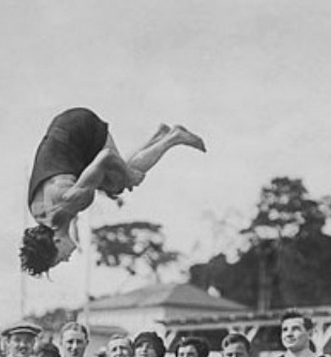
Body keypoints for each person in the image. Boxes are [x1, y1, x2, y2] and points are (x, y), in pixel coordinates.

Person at [22, 107, 206, 276]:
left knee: (118, 183)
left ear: (57, 242)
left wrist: (129, 176)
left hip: (82, 128)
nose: (65, 260)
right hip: (64, 128)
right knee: (108, 181)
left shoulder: (72, 200)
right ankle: (159, 136)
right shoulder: (39, 212)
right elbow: (58, 193)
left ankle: (174, 138)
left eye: (58, 260)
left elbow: (106, 157)